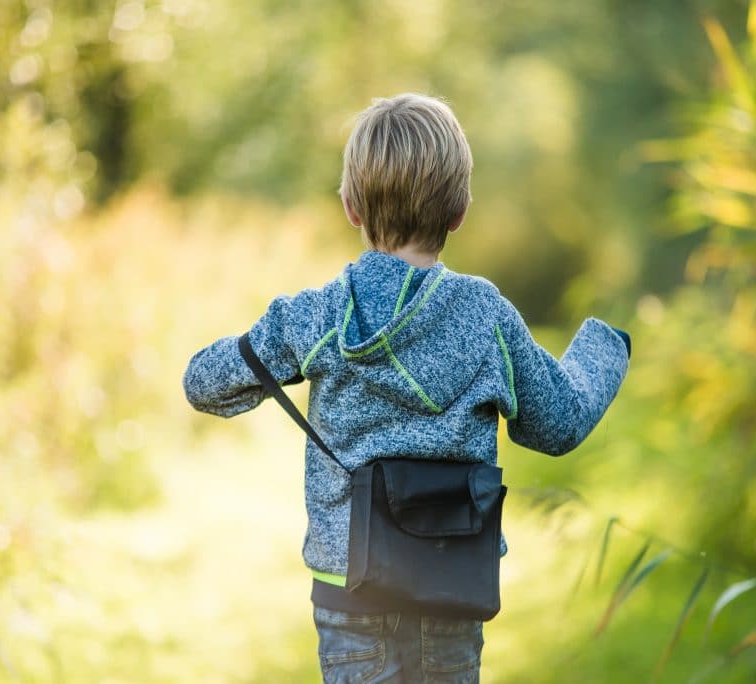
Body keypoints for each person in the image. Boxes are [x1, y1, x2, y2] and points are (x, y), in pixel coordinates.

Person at [182, 93, 630, 683]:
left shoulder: (318, 317)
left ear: (351, 207)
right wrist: (604, 348)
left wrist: (264, 352)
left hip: (351, 593)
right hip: (451, 582)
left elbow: (204, 384)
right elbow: (558, 423)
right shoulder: (484, 316)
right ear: (460, 210)